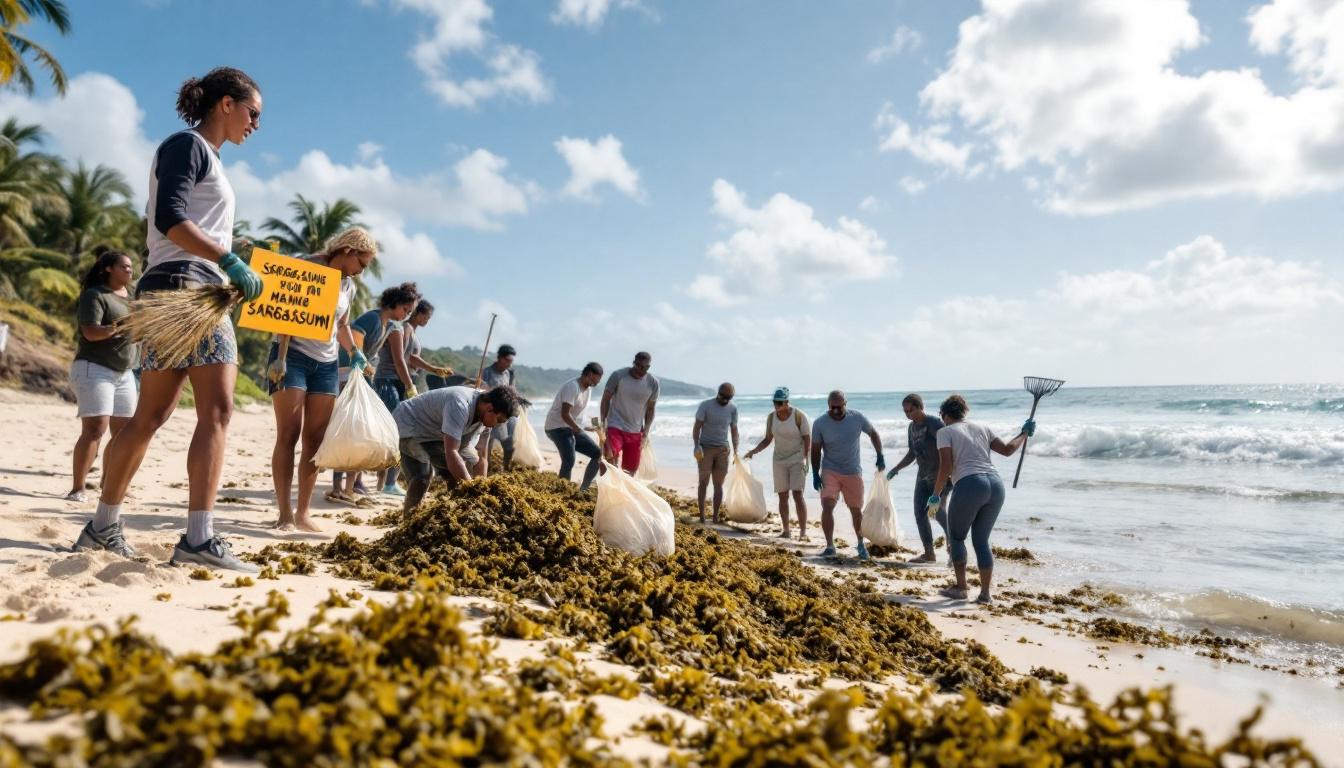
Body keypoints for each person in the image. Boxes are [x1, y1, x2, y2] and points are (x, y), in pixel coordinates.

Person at [73, 67, 265, 572]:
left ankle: (102, 526)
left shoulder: (208, 157)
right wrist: (226, 261)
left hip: (177, 285)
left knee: (150, 417)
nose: (256, 124)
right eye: (253, 112)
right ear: (225, 103)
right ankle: (198, 539)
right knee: (217, 411)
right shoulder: (188, 145)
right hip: (189, 288)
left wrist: (227, 257)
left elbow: (181, 225)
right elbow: (170, 220)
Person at [267, 227, 375, 532]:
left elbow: (341, 324)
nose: (360, 272)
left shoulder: (348, 286)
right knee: (288, 434)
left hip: (327, 363)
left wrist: (354, 352)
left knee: (314, 442)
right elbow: (285, 312)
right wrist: (280, 356)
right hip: (292, 356)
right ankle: (284, 514)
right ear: (349, 252)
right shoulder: (306, 266)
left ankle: (302, 514)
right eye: (361, 264)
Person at [928, 394, 1034, 604]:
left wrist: (935, 495)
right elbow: (1007, 450)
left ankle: (961, 588)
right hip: (996, 485)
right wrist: (1024, 433)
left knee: (957, 537)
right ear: (964, 412)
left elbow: (946, 467)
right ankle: (985, 594)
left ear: (944, 415)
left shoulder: (944, 431)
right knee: (981, 540)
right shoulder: (983, 427)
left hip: (970, 485)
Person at [329, 282, 420, 505]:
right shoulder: (373, 318)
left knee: (360, 431)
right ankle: (337, 488)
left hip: (363, 377)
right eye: (406, 310)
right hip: (347, 373)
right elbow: (354, 342)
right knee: (348, 428)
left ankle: (350, 488)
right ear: (396, 304)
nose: (406, 315)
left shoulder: (389, 325)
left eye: (410, 312)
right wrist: (361, 363)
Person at [67, 250, 138, 503]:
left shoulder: (132, 299)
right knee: (96, 429)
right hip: (94, 367)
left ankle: (109, 485)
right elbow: (90, 332)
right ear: (108, 268)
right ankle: (78, 488)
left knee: (125, 433)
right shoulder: (94, 295)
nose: (130, 271)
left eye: (131, 267)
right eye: (124, 267)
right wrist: (121, 326)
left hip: (126, 372)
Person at [394, 384, 520, 516]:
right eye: (499, 420)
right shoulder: (460, 404)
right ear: (489, 408)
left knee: (462, 468)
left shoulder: (486, 417)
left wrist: (481, 490)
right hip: (409, 423)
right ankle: (409, 519)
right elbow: (452, 452)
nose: (496, 425)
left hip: (435, 432)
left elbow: (481, 456)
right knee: (422, 476)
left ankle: (455, 513)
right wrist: (470, 489)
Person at [372, 298, 452, 497]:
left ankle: (385, 481)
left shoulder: (411, 332)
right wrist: (410, 386)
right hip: (392, 381)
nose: (428, 320)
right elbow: (402, 360)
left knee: (394, 432)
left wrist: (433, 369)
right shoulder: (405, 328)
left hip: (399, 381)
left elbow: (411, 357)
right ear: (419, 312)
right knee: (398, 431)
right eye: (427, 316)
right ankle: (388, 482)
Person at [810, 390, 884, 560]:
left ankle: (860, 544)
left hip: (852, 471)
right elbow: (815, 450)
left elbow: (873, 433)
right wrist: (815, 473)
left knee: (856, 510)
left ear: (846, 404)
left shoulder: (856, 418)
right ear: (828, 406)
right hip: (830, 470)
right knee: (827, 506)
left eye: (839, 407)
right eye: (832, 408)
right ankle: (829, 546)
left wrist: (880, 455)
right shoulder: (820, 423)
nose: (836, 411)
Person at [886, 393, 949, 562]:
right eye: (905, 411)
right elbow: (912, 454)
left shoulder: (933, 423)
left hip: (939, 475)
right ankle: (929, 553)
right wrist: (896, 469)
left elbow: (949, 446)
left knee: (936, 511)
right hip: (922, 475)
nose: (908, 414)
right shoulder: (911, 428)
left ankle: (953, 542)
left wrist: (950, 471)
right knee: (919, 513)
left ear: (921, 407)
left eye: (911, 410)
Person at [743, 387, 811, 540]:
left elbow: (807, 438)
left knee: (798, 494)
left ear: (787, 402)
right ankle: (786, 531)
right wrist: (753, 451)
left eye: (780, 403)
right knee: (782, 496)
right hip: (779, 460)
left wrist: (806, 458)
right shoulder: (771, 418)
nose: (777, 406)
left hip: (797, 458)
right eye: (775, 402)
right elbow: (768, 439)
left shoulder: (799, 416)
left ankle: (803, 532)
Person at [543, 362, 604, 490]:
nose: (598, 383)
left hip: (570, 428)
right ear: (590, 374)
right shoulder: (573, 387)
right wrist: (578, 429)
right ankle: (561, 490)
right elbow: (565, 414)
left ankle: (583, 489)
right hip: (556, 427)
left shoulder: (588, 390)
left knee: (597, 454)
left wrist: (596, 426)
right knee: (569, 459)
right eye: (597, 379)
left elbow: (583, 414)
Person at [600, 351, 659, 474]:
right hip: (615, 425)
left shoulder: (653, 383)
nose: (639, 369)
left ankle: (621, 492)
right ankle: (604, 488)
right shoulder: (618, 375)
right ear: (633, 362)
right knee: (609, 457)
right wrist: (602, 422)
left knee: (630, 470)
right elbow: (606, 399)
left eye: (643, 367)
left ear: (648, 367)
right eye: (637, 365)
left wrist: (646, 432)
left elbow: (650, 409)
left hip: (635, 431)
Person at [692, 383, 739, 524]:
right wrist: (696, 446)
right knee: (703, 482)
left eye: (728, 398)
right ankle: (701, 516)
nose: (725, 400)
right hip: (705, 448)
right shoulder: (705, 405)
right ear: (718, 393)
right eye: (723, 396)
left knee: (718, 485)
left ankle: (715, 517)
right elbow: (697, 427)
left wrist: (736, 450)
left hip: (723, 450)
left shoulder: (733, 408)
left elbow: (734, 430)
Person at [480, 344, 519, 469]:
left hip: (505, 415)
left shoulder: (508, 374)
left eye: (511, 361)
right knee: (487, 445)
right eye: (507, 360)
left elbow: (512, 391)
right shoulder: (487, 372)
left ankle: (506, 468)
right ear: (499, 358)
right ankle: (487, 469)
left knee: (509, 445)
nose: (509, 364)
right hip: (492, 412)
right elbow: (482, 391)